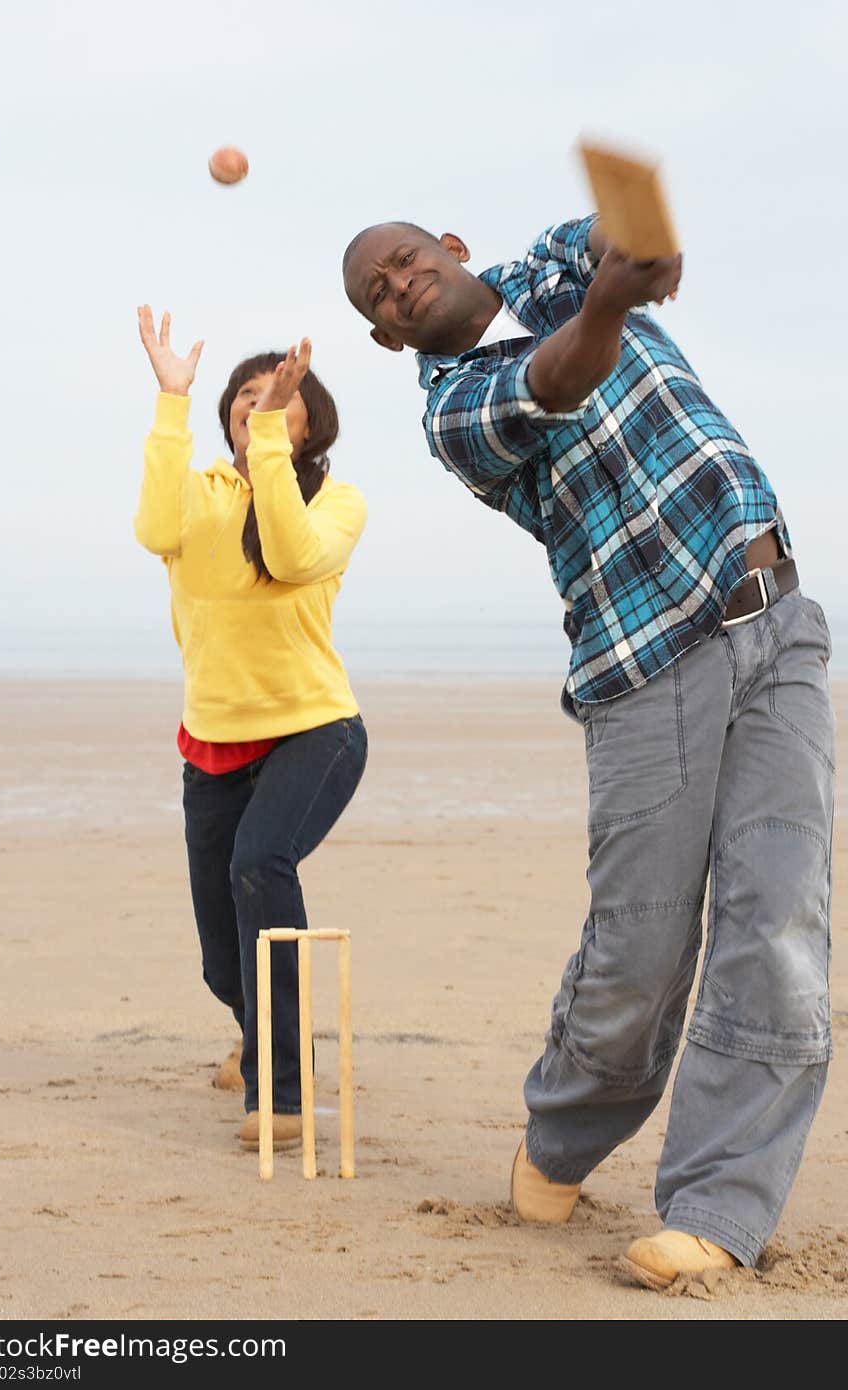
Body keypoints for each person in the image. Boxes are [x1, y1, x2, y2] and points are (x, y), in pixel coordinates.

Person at [342, 218, 834, 1289]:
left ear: (452, 244)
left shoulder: (555, 263)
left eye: (407, 258)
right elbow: (559, 376)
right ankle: (560, 1137)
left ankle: (714, 1206)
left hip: (776, 614)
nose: (401, 284)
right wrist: (614, 297)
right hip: (640, 667)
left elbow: (634, 245)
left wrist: (643, 257)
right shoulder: (453, 409)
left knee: (778, 921)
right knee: (638, 957)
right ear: (386, 339)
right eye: (379, 295)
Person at [135, 310, 368, 1151]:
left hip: (316, 730)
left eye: (278, 396)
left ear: (309, 423)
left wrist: (270, 439)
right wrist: (171, 402)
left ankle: (284, 1091)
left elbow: (294, 553)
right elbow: (155, 530)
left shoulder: (335, 502)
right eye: (246, 395)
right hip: (213, 741)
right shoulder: (197, 494)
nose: (257, 402)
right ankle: (256, 1025)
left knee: (260, 867)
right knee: (218, 957)